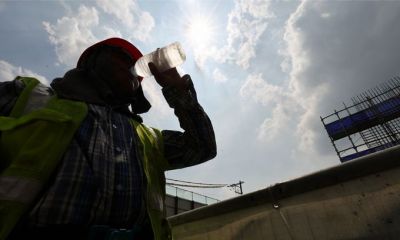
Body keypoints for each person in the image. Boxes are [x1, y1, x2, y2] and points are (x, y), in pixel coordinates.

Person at [0, 38, 216, 240]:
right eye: (122, 57)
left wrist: (178, 91)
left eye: (135, 66)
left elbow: (201, 147)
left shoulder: (147, 137)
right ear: (94, 63)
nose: (132, 67)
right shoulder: (33, 97)